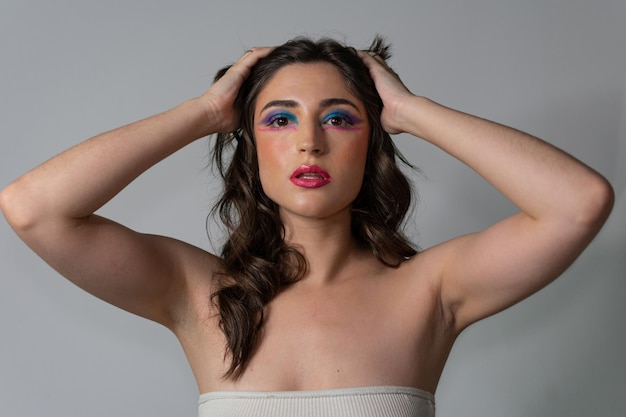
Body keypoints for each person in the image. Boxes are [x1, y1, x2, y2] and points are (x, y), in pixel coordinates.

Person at [0, 37, 614, 417]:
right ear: (249, 146)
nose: (309, 144)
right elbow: (33, 208)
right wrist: (205, 112)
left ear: (372, 141)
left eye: (340, 118)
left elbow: (579, 202)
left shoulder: (432, 289)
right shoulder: (199, 292)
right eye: (279, 119)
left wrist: (408, 111)